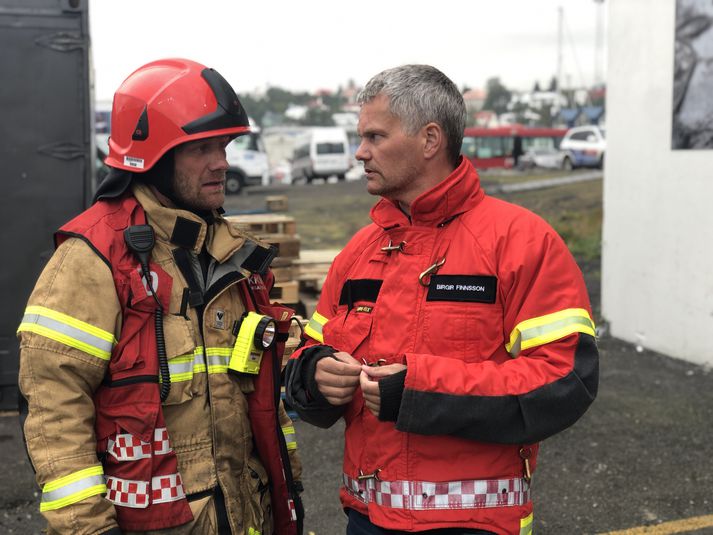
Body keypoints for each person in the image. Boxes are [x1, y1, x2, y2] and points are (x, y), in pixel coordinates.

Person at [285, 64, 598, 535]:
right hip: (366, 520)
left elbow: (565, 380)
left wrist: (419, 390)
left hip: (474, 524)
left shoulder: (522, 242)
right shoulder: (358, 253)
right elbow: (307, 357)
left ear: (430, 140)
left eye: (374, 136)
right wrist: (314, 376)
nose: (359, 152)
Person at [17, 58, 303, 535]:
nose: (223, 163)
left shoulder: (232, 255)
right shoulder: (94, 258)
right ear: (153, 158)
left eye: (225, 146)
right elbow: (55, 408)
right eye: (202, 149)